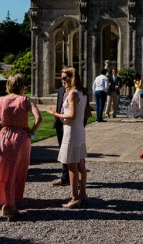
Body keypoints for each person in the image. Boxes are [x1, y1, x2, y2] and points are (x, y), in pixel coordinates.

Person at [0, 74, 43, 220]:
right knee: (18, 171)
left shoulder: (0, 101)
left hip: (5, 136)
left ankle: (6, 202)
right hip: (22, 138)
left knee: (4, 169)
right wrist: (31, 131)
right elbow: (39, 118)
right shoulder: (25, 100)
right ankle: (9, 204)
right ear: (22, 86)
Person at [52, 67, 88, 209]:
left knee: (72, 165)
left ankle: (74, 197)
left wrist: (56, 114)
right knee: (80, 164)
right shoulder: (82, 92)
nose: (63, 81)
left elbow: (71, 115)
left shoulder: (73, 94)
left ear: (72, 78)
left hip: (71, 132)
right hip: (78, 130)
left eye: (65, 78)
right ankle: (83, 194)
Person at [50, 84, 69, 186]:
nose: (63, 80)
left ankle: (76, 178)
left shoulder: (78, 91)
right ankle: (65, 176)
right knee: (62, 151)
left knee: (73, 154)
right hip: (60, 124)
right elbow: (59, 106)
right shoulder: (61, 90)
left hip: (71, 126)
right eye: (62, 78)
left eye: (65, 78)